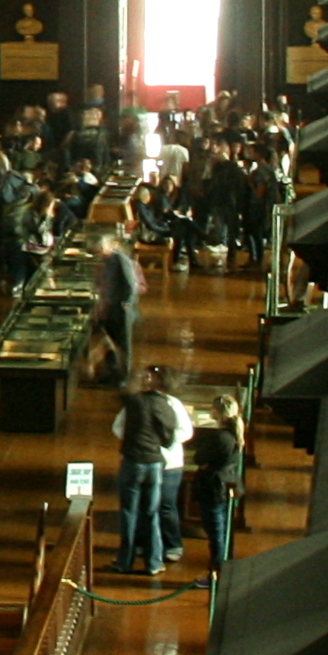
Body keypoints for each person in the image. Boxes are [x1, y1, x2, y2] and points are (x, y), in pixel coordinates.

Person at [110, 366, 191, 576]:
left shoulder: (135, 402)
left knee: (129, 512)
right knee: (152, 512)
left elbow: (117, 427)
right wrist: (159, 446)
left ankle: (124, 561)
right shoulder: (167, 405)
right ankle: (153, 562)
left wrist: (134, 440)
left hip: (134, 461)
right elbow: (173, 435)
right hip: (156, 463)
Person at [185, 394, 246, 574]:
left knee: (215, 532)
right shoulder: (234, 434)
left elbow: (199, 458)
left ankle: (217, 571)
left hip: (213, 487)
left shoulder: (220, 437)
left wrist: (204, 462)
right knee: (221, 530)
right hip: (225, 483)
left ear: (218, 412)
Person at [85, 229, 142, 383]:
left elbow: (131, 285)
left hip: (121, 310)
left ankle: (123, 377)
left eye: (99, 248)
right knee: (110, 342)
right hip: (108, 308)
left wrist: (125, 305)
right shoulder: (104, 261)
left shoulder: (120, 259)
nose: (97, 252)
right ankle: (112, 373)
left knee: (123, 344)